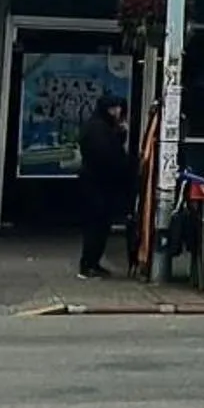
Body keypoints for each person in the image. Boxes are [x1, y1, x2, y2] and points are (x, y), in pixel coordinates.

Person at [76, 94, 133, 280]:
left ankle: (93, 263)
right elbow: (106, 156)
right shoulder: (98, 129)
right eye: (113, 108)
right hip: (96, 185)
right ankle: (88, 264)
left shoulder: (102, 127)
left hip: (100, 185)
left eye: (119, 108)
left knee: (101, 226)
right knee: (96, 226)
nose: (117, 112)